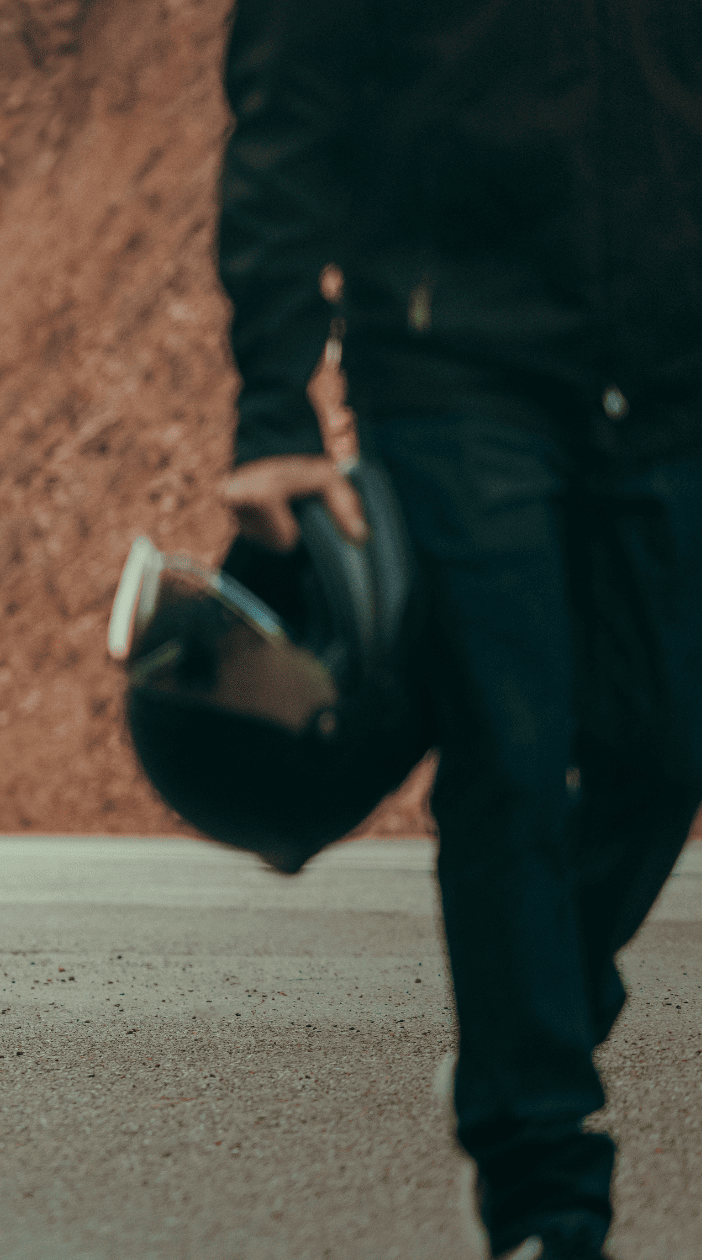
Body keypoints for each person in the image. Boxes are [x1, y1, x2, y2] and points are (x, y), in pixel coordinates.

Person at [215, 4, 702, 1258]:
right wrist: (274, 405)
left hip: (664, 375)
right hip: (453, 365)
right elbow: (285, 110)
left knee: (666, 748)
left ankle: (521, 1019)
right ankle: (545, 1192)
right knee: (510, 751)